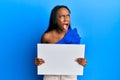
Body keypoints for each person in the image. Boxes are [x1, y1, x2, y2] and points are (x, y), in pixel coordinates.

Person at [34, 5, 87, 80]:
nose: (66, 19)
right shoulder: (46, 37)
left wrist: (82, 62)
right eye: (62, 16)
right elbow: (41, 57)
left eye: (68, 15)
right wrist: (37, 62)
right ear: (55, 20)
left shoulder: (73, 35)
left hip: (70, 75)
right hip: (51, 75)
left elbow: (77, 57)